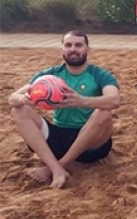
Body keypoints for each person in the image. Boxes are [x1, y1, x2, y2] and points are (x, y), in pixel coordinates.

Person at [8, 31, 121, 188]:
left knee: (104, 112)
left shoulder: (99, 74)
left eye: (78, 45)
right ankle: (57, 169)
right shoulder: (50, 75)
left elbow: (114, 100)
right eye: (68, 45)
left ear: (88, 49)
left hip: (91, 144)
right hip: (59, 137)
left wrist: (82, 101)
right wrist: (22, 99)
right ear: (62, 49)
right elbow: (12, 98)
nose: (73, 49)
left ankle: (57, 166)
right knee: (18, 110)